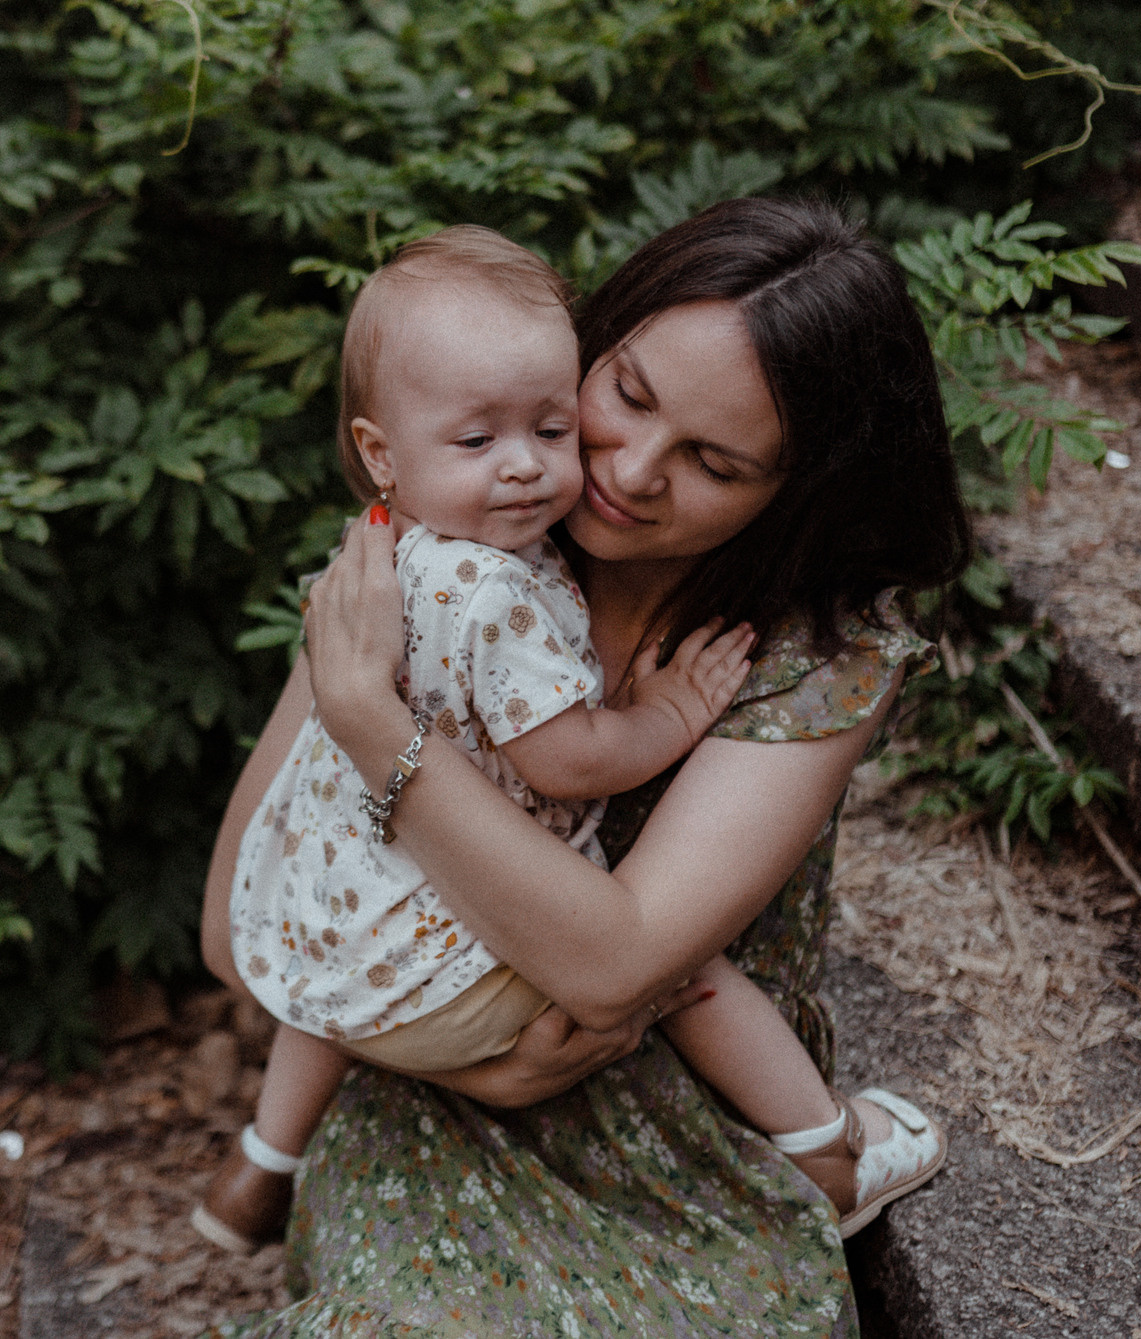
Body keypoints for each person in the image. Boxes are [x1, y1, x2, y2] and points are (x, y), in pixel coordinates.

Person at [200, 195, 973, 1335]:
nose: (631, 470)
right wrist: (471, 1070)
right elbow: (237, 927)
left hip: (683, 1124)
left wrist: (374, 725)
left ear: (797, 487)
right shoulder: (450, 540)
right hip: (418, 1072)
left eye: (712, 460)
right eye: (625, 395)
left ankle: (826, 1158)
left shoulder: (810, 657)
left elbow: (616, 968)